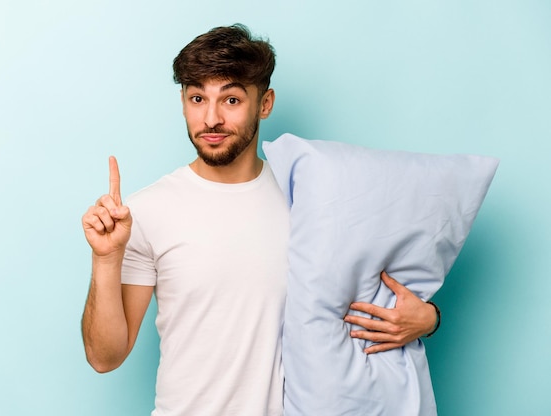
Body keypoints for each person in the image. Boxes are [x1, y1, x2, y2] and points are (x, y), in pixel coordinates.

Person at [81, 24, 438, 416]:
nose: (211, 118)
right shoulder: (147, 210)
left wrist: (429, 319)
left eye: (231, 99)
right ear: (182, 101)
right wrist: (105, 259)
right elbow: (105, 358)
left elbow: (371, 295)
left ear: (264, 104)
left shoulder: (308, 201)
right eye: (197, 98)